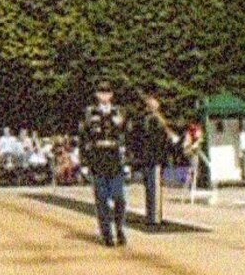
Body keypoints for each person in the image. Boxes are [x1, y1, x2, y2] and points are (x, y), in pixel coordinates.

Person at [77, 82, 129, 247]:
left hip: (115, 159)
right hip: (97, 159)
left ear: (111, 95)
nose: (104, 96)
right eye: (101, 92)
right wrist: (84, 162)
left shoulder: (119, 112)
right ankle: (107, 234)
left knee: (119, 198)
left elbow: (126, 137)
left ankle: (119, 227)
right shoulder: (89, 113)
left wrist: (127, 161)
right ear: (97, 95)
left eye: (107, 92)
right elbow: (83, 138)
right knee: (101, 200)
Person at [129, 88, 179, 228]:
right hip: (150, 157)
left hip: (153, 158)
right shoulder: (148, 120)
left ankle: (153, 216)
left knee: (153, 188)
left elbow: (162, 138)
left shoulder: (153, 120)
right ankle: (153, 217)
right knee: (151, 188)